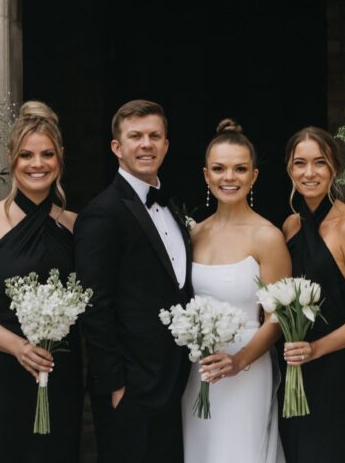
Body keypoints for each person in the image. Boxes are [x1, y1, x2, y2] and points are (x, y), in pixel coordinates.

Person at [0, 101, 83, 461]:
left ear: (60, 158)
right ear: (11, 157)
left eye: (47, 154)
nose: (37, 164)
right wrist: (17, 347)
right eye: (26, 155)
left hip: (57, 375)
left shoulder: (76, 226)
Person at [75, 100, 193, 463]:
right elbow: (95, 305)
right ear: (117, 147)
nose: (146, 144)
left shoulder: (172, 206)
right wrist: (115, 383)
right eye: (136, 136)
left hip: (176, 381)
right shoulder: (101, 213)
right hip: (130, 385)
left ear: (166, 145)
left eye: (154, 136)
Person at [182, 119, 290, 463]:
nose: (229, 178)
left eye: (240, 169)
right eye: (219, 169)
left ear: (254, 176)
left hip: (247, 367)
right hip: (198, 369)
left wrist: (239, 360)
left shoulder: (267, 236)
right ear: (205, 175)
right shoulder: (194, 234)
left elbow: (279, 317)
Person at [279, 127, 345, 463]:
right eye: (300, 163)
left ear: (334, 168)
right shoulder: (290, 226)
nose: (309, 172)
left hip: (339, 367)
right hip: (296, 366)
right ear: (290, 169)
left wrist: (317, 349)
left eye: (319, 163)